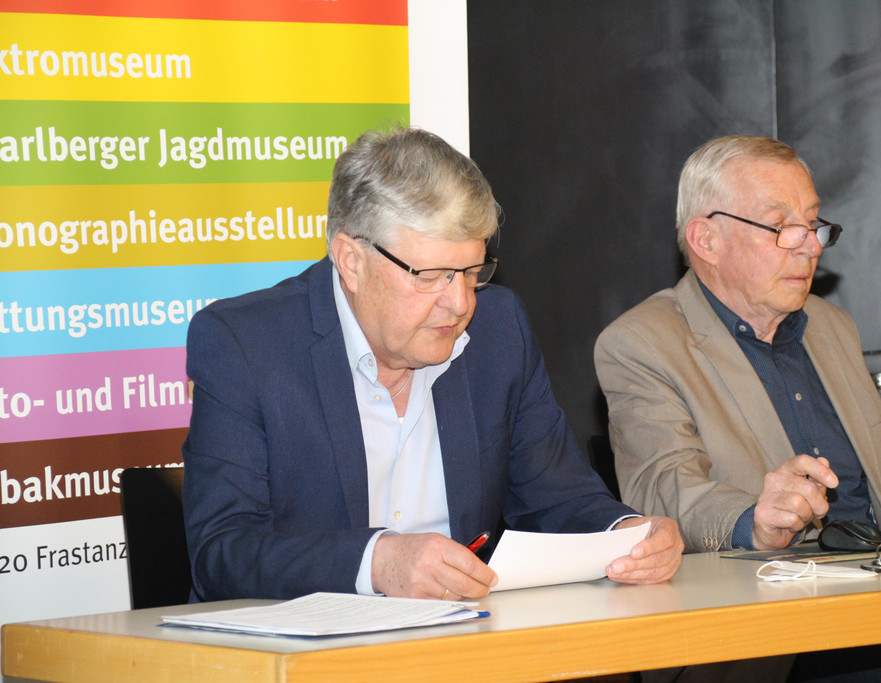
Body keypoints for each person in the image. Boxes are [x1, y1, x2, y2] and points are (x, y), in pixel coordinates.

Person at [182, 126, 682, 603]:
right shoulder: (246, 344)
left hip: (463, 638)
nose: (460, 303)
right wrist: (376, 562)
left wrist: (629, 535)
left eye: (472, 272)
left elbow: (557, 496)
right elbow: (223, 551)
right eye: (433, 275)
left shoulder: (498, 331)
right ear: (351, 261)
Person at [595, 135, 881, 680]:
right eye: (780, 226)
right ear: (707, 239)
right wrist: (756, 519)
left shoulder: (832, 327)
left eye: (813, 224)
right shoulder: (642, 343)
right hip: (773, 628)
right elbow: (665, 488)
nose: (810, 247)